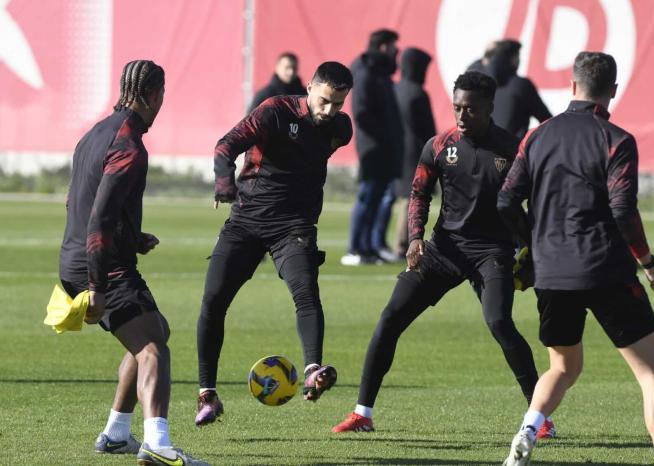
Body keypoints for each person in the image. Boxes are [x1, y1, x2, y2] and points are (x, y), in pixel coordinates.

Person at [333, 71, 547, 435]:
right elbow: (419, 192)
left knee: (499, 323)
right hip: (444, 249)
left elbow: (534, 204)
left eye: (471, 110)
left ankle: (540, 419)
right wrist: (415, 238)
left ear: (490, 108)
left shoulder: (512, 150)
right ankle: (362, 414)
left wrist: (532, 250)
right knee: (390, 317)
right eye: (457, 108)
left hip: (492, 252)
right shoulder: (438, 145)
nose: (462, 116)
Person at [500, 52, 654, 466]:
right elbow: (624, 210)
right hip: (607, 271)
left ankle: (528, 431)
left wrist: (529, 243)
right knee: (652, 373)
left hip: (552, 274)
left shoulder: (537, 137)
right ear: (614, 91)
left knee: (563, 368)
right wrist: (649, 265)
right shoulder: (617, 140)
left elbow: (505, 200)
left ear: (572, 86)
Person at [59, 60, 208, 466]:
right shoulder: (129, 145)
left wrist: (133, 238)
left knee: (155, 329)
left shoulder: (95, 134)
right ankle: (158, 444)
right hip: (103, 267)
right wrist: (97, 287)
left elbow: (76, 201)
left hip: (85, 257)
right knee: (152, 348)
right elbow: (101, 218)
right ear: (156, 95)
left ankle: (116, 433)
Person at [195, 62, 354, 426]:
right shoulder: (275, 112)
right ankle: (207, 393)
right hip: (247, 221)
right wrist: (224, 185)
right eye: (325, 101)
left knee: (306, 293)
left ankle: (314, 369)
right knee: (213, 301)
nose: (329, 111)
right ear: (310, 87)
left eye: (338, 104)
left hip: (294, 226)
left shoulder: (340, 130)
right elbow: (225, 146)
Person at [341, 29, 403, 266]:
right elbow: (362, 114)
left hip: (386, 147)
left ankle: (369, 247)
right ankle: (354, 248)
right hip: (373, 148)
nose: (397, 52)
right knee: (368, 196)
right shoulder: (366, 73)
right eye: (394, 47)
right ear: (385, 47)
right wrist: (384, 138)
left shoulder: (381, 74)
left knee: (378, 197)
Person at [393, 47, 436, 259]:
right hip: (415, 151)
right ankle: (402, 244)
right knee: (411, 198)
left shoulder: (395, 88)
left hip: (396, 147)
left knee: (397, 197)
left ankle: (380, 242)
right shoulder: (417, 93)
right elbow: (427, 128)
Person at [485, 39, 551, 140]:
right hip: (513, 151)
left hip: (486, 151)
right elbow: (546, 120)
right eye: (518, 57)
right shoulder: (521, 85)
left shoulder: (484, 85)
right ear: (513, 59)